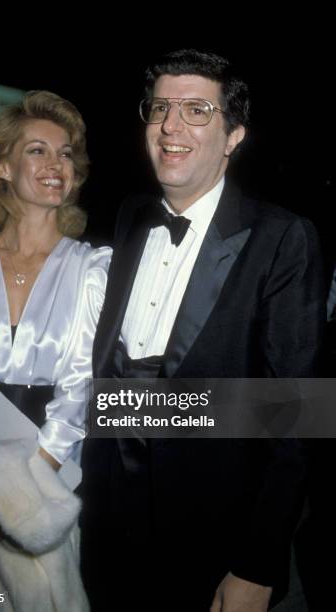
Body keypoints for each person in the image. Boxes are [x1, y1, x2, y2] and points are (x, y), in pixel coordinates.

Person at [79, 50, 326, 611]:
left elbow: (297, 416)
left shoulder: (283, 238)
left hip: (213, 538)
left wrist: (257, 566)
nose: (171, 125)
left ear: (234, 134)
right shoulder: (131, 215)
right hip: (108, 527)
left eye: (196, 110)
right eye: (161, 107)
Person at [0, 90, 110, 590]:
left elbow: (80, 392)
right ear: (1, 168)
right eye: (38, 150)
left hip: (45, 498)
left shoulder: (93, 268)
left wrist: (20, 506)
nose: (57, 164)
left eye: (66, 154)